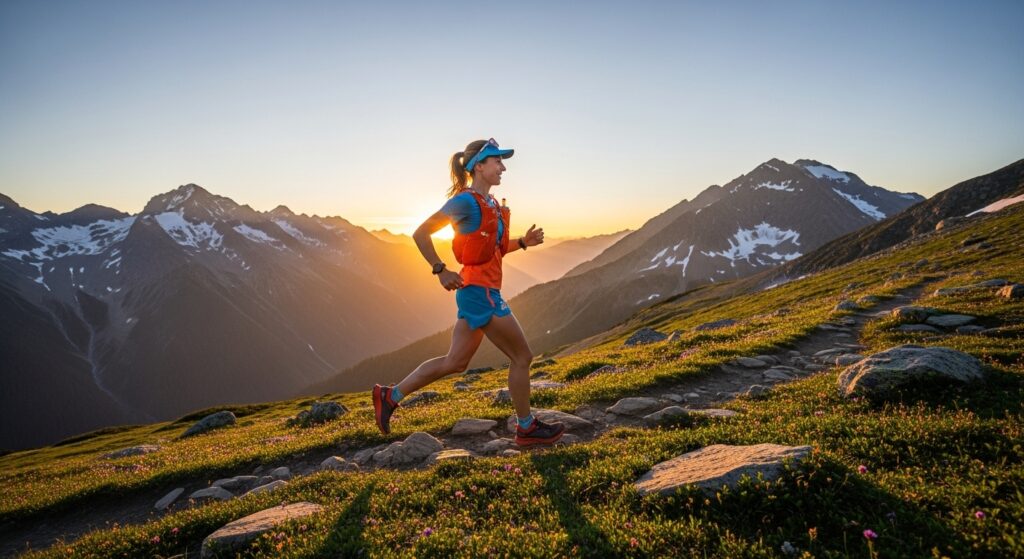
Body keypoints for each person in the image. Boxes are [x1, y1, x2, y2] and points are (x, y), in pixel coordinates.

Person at [372, 138, 566, 446]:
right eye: (497, 161)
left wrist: (524, 242)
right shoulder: (465, 202)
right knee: (522, 356)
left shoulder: (490, 204)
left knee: (455, 362)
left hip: (477, 290)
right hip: (479, 293)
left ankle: (390, 396)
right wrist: (440, 269)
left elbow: (495, 250)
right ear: (479, 165)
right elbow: (420, 232)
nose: (503, 167)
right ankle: (526, 428)